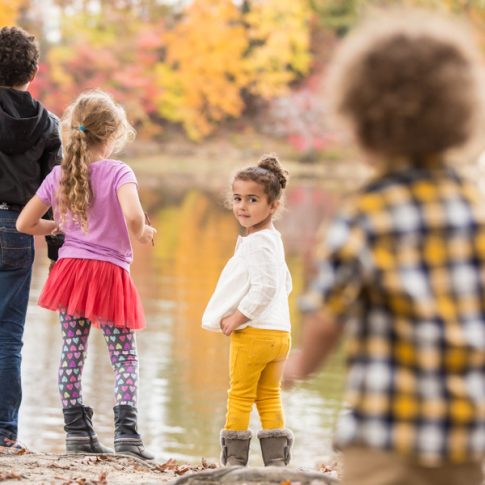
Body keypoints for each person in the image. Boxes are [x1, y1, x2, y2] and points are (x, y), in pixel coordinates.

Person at [283, 8, 485, 485]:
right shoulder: (474, 208)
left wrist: (300, 365)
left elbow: (329, 314)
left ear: (361, 118)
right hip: (468, 431)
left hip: (387, 434)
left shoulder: (364, 213)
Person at [16, 89, 156, 460]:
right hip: (109, 273)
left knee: (72, 352)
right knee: (123, 356)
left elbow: (24, 223)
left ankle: (76, 433)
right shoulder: (119, 171)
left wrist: (57, 227)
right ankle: (127, 436)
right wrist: (141, 231)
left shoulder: (60, 175)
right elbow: (132, 216)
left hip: (71, 272)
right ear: (110, 137)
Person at [202, 155, 293, 467]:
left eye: (252, 200)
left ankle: (234, 464)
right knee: (269, 396)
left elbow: (266, 288)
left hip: (254, 334)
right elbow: (285, 284)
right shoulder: (273, 240)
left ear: (273, 206)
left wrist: (237, 317)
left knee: (239, 396)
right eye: (238, 198)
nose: (242, 206)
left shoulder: (256, 243)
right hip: (280, 334)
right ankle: (277, 464)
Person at [0, 26, 63, 449]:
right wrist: (61, 255)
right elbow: (54, 195)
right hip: (16, 231)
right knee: (7, 336)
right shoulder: (50, 125)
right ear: (35, 71)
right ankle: (4, 432)